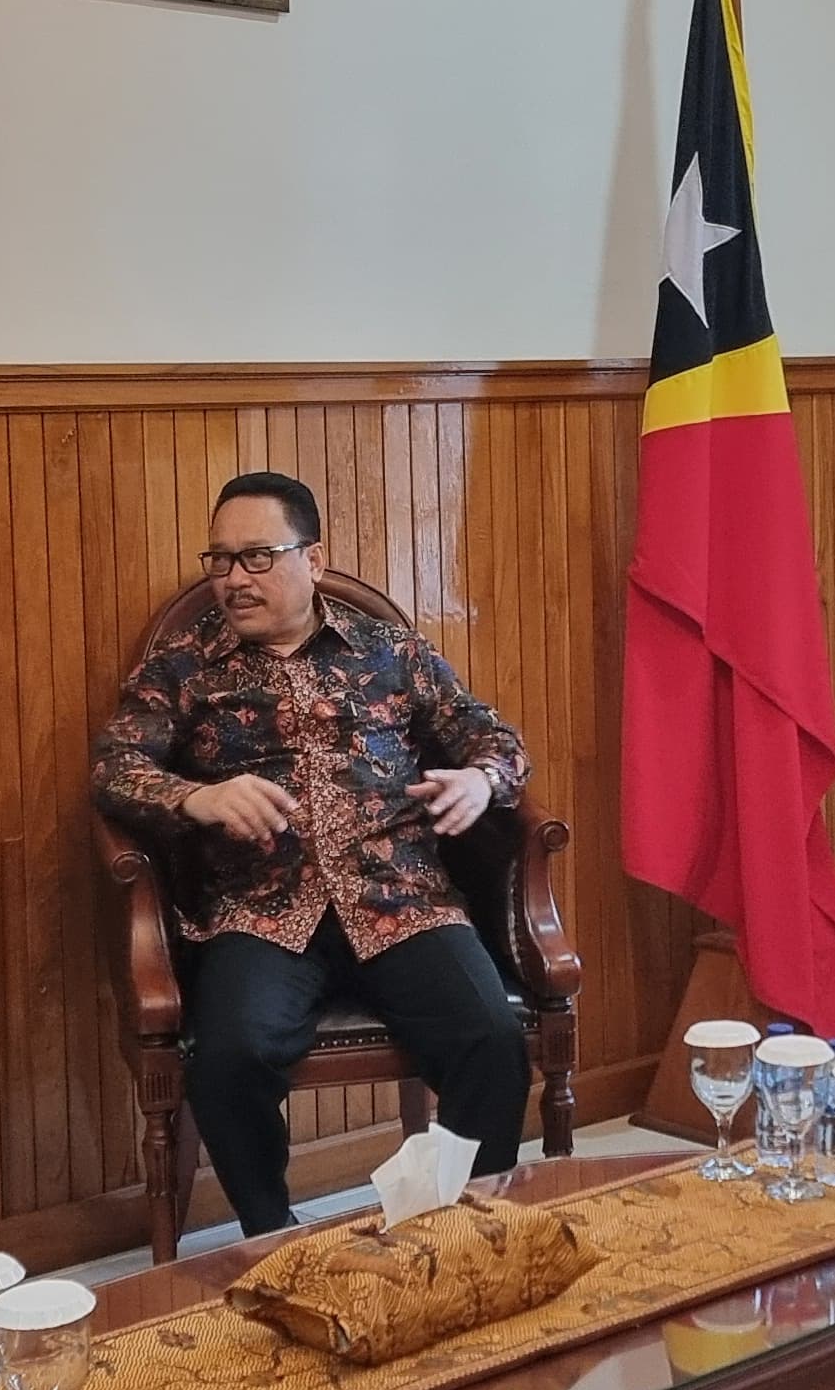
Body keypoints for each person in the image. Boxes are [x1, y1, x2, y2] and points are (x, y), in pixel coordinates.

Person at [93, 471, 530, 1235]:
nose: (234, 579)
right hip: (262, 909)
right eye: (220, 560)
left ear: (313, 559)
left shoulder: (391, 651)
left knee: (489, 1037)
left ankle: (456, 1222)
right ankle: (274, 1239)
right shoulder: (184, 668)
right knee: (231, 1055)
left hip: (400, 896)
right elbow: (113, 769)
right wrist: (197, 797)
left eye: (257, 557)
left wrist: (481, 780)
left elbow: (494, 738)